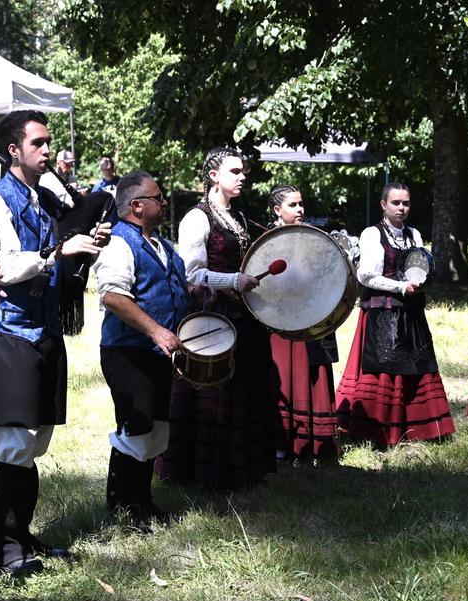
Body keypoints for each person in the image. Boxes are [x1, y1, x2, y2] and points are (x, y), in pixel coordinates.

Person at [0, 110, 109, 575]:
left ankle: (22, 537)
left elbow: (60, 246)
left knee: (34, 441)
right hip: (12, 331)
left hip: (44, 329)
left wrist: (87, 240)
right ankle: (3, 550)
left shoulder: (43, 196)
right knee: (14, 440)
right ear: (14, 150)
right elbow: (2, 268)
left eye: (48, 142)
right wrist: (57, 252)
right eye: (39, 143)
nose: (48, 150)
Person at [157, 147, 281, 490]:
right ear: (214, 175)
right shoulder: (197, 218)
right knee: (216, 390)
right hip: (213, 316)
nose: (243, 177)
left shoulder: (239, 217)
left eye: (243, 172)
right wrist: (232, 281)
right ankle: (205, 473)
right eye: (235, 171)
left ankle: (245, 469)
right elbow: (191, 275)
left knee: (249, 384)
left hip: (246, 315)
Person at [93, 171, 187, 529]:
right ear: (136, 206)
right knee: (136, 426)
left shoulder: (162, 245)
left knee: (156, 428)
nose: (164, 203)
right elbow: (112, 296)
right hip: (128, 350)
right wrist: (156, 330)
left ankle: (142, 501)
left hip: (158, 352)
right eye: (158, 197)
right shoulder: (119, 243)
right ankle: (122, 508)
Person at [337, 183, 455, 446]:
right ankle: (377, 429)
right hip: (383, 311)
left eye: (406, 203)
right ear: (383, 205)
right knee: (385, 365)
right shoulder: (372, 234)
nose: (402, 208)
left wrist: (420, 282)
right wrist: (401, 286)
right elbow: (366, 276)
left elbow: (421, 265)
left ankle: (417, 427)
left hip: (410, 312)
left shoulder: (414, 234)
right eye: (396, 203)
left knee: (417, 363)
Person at [265, 185, 341, 464]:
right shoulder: (267, 240)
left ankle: (314, 444)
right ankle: (282, 444)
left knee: (313, 376)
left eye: (301, 204)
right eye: (293, 205)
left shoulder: (313, 237)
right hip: (281, 323)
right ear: (277, 210)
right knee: (284, 379)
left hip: (313, 319)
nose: (300, 210)